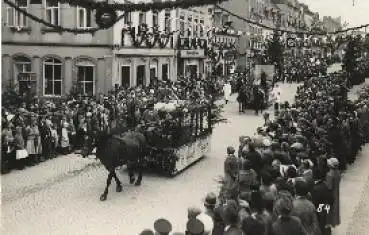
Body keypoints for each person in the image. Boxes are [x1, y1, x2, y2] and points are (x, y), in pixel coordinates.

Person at [326, 158, 341, 228]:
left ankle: (330, 222)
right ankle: (334, 222)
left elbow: (329, 187)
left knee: (330, 208)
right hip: (336, 192)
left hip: (331, 193)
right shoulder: (338, 172)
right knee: (335, 208)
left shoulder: (329, 174)